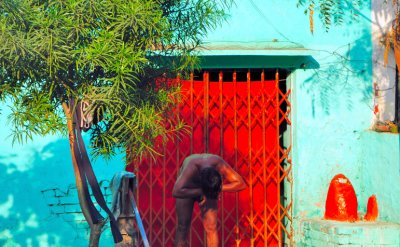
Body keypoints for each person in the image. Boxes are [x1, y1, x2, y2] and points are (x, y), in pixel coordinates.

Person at [172, 153, 246, 247]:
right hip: (187, 189)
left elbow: (241, 183)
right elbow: (176, 191)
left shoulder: (218, 163)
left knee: (211, 227)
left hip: (209, 187)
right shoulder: (191, 167)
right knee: (182, 227)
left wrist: (216, 189)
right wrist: (202, 192)